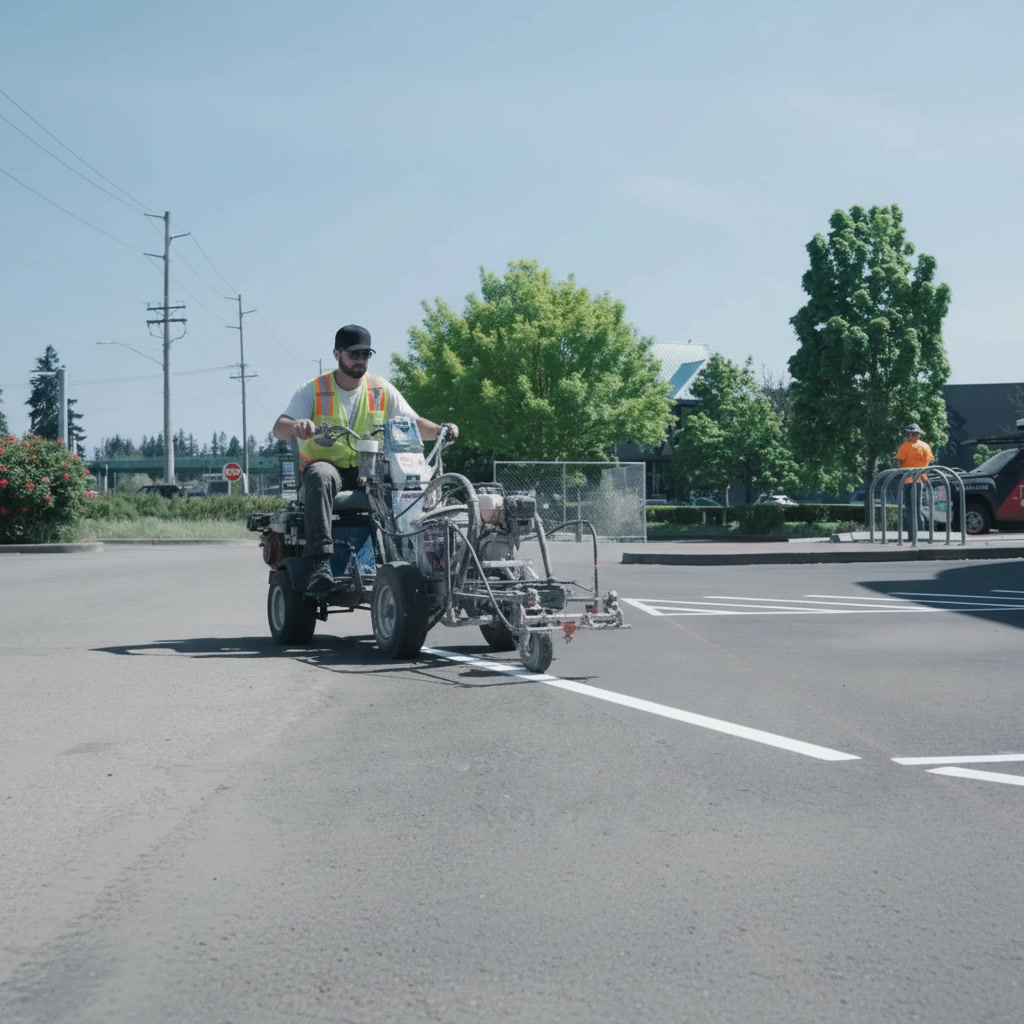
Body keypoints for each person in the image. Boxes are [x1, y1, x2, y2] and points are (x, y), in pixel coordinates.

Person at [273, 324, 459, 597]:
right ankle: (321, 563)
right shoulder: (313, 389)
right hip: (327, 467)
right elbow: (279, 428)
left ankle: (414, 557)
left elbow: (413, 423)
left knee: (408, 483)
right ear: (337, 354)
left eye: (366, 354)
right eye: (354, 354)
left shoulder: (380, 388)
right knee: (321, 475)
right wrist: (296, 425)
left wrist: (442, 430)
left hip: (368, 470)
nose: (360, 359)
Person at [894, 423, 934, 535]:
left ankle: (912, 535)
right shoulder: (926, 446)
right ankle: (921, 534)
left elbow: (898, 462)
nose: (906, 435)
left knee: (909, 508)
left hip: (908, 480)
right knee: (918, 508)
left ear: (912, 434)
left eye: (908, 433)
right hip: (921, 480)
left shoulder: (905, 446)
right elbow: (928, 462)